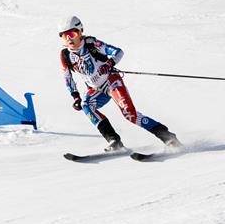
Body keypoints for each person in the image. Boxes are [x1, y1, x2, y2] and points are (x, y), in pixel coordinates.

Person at [59, 15, 181, 152]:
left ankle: (167, 136)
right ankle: (114, 140)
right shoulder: (65, 55)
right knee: (86, 105)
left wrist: (110, 63)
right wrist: (75, 96)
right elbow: (67, 78)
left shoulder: (92, 44)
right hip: (96, 89)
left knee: (130, 114)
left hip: (111, 81)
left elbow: (118, 52)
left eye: (72, 33)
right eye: (64, 36)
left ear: (80, 31)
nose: (68, 38)